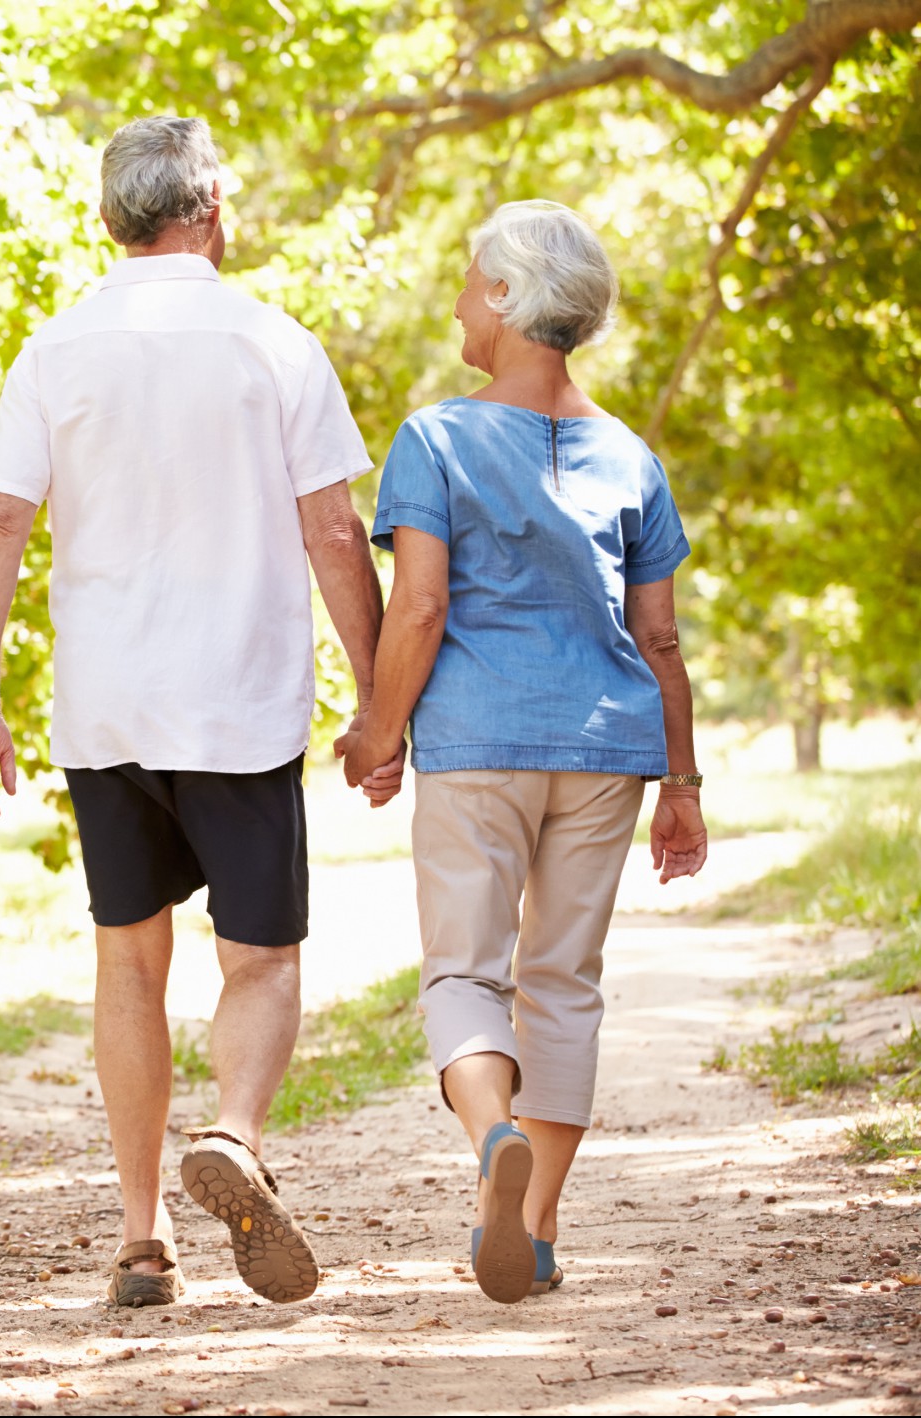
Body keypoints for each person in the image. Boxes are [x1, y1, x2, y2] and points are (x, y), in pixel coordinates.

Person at [0, 116, 391, 1308]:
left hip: (108, 707)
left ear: (116, 215)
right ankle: (235, 1137)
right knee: (259, 956)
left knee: (126, 961)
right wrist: (376, 697)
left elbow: (0, 523)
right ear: (206, 205)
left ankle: (143, 1237)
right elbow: (333, 530)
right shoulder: (273, 343)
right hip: (239, 702)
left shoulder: (54, 349)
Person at [338, 200, 708, 1305]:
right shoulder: (631, 455)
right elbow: (659, 638)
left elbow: (417, 611)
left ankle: (492, 1132)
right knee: (561, 983)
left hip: (478, 744)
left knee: (464, 970)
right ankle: (536, 1223)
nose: (455, 299)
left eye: (465, 280)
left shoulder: (437, 437)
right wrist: (680, 784)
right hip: (604, 752)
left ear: (503, 298)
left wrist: (376, 728)